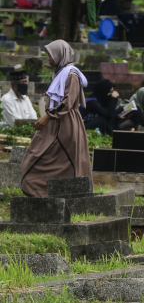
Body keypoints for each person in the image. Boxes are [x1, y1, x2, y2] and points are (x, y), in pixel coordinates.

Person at [20, 40, 91, 197]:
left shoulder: (71, 75)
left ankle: (69, 194)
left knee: (63, 160)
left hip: (66, 124)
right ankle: (38, 189)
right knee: (36, 154)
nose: (48, 58)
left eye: (51, 55)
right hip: (55, 122)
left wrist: (48, 117)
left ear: (60, 55)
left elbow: (67, 103)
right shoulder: (61, 72)